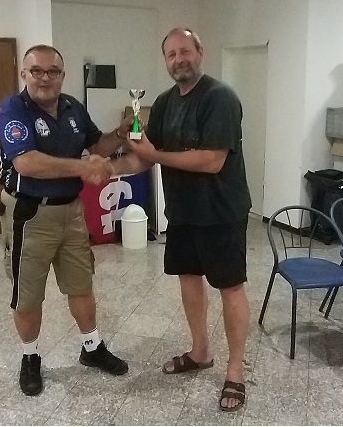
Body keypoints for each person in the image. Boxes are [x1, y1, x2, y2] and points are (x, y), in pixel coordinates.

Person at [110, 28, 252, 412]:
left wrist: (154, 156)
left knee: (230, 288)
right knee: (189, 280)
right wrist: (108, 170)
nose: (178, 60)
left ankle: (235, 370)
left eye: (184, 51)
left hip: (221, 212)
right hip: (182, 211)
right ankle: (200, 351)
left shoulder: (220, 98)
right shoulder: (163, 102)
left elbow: (211, 160)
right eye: (171, 54)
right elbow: (145, 154)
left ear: (200, 52)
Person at [0, 44, 131, 396]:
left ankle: (92, 348)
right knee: (28, 295)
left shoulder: (72, 107)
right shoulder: (13, 110)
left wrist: (120, 132)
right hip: (30, 213)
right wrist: (83, 168)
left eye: (52, 71)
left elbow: (97, 145)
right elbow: (27, 163)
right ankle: (30, 357)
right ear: (24, 74)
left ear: (62, 75)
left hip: (71, 211)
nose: (44, 78)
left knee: (81, 285)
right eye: (36, 71)